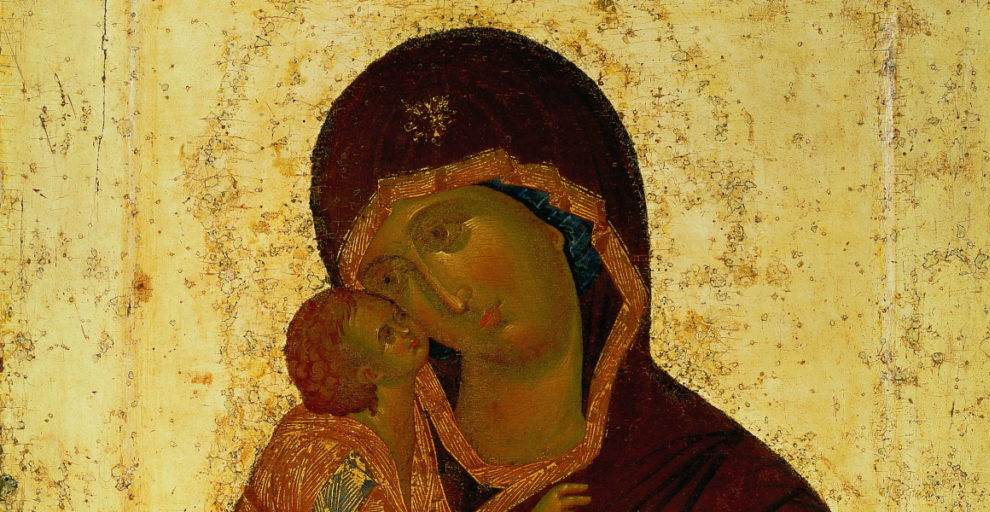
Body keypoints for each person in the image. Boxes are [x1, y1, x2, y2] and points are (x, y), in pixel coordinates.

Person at [308, 28, 831, 511]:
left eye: (444, 235)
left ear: (553, 213)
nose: (449, 300)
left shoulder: (724, 486)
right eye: (391, 279)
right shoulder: (353, 474)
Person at [235, 288, 591, 512]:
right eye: (387, 335)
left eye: (399, 315)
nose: (407, 329)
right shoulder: (332, 460)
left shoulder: (416, 401)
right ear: (367, 372)